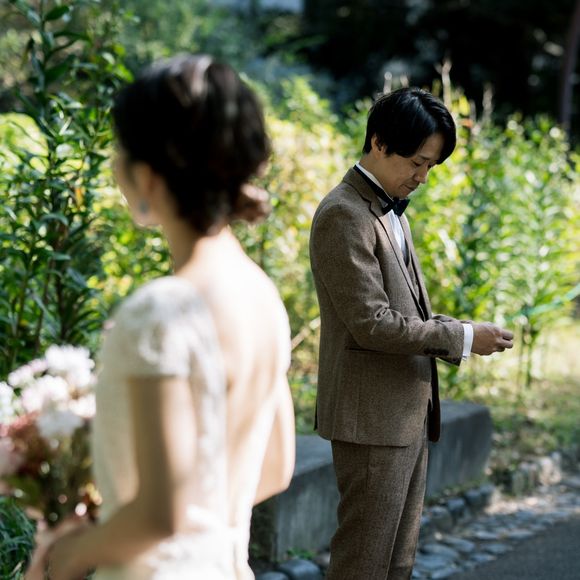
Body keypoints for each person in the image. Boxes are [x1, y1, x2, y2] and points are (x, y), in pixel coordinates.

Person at [25, 54, 295, 580]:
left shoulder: (162, 311)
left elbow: (159, 515)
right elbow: (274, 469)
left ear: (146, 174)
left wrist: (65, 557)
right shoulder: (261, 295)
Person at [309, 86, 514, 580]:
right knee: (365, 562)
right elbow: (373, 323)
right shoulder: (344, 214)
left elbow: (402, 312)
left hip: (403, 414)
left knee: (397, 562)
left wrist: (461, 331)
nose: (422, 177)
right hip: (370, 419)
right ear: (379, 143)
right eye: (417, 163)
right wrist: (464, 337)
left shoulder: (387, 209)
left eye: (431, 166)